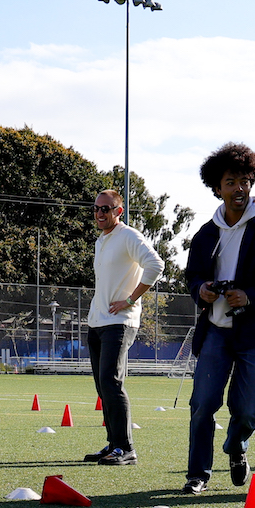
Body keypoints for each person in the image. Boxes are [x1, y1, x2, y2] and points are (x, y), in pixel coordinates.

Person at [182, 143, 255, 494]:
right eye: (230, 182)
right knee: (202, 404)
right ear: (217, 188)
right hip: (216, 330)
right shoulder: (205, 233)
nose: (239, 189)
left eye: (245, 181)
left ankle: (236, 446)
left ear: (253, 183)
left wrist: (251, 296)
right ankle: (197, 475)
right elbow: (192, 277)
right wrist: (201, 289)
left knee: (247, 409)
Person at [84, 189, 163, 466]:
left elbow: (155, 265)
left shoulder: (129, 236)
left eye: (106, 208)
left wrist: (130, 299)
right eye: (96, 208)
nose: (100, 213)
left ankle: (126, 449)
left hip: (120, 322)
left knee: (111, 382)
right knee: (102, 386)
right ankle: (113, 444)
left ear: (118, 211)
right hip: (97, 323)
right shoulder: (100, 241)